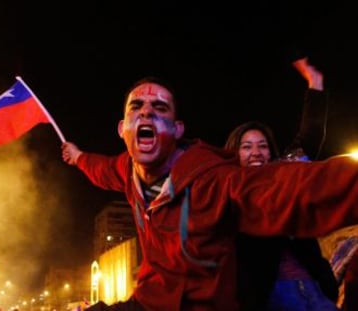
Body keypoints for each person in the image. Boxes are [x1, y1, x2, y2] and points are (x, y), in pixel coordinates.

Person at [62, 76, 358, 311]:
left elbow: (292, 187)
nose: (147, 111)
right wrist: (77, 156)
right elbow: (98, 167)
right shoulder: (125, 169)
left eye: (160, 108)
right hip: (151, 302)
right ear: (122, 128)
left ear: (178, 130)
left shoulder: (212, 181)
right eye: (136, 106)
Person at [224, 58, 339, 311]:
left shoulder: (283, 176)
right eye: (246, 147)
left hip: (314, 290)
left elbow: (308, 138)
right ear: (234, 153)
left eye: (262, 145)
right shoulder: (225, 190)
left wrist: (315, 82)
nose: (256, 152)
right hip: (267, 296)